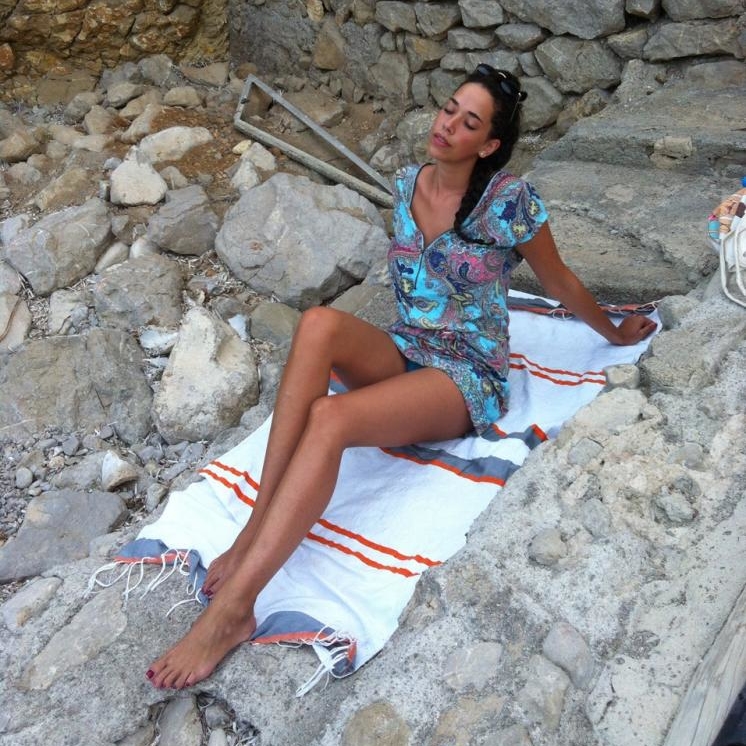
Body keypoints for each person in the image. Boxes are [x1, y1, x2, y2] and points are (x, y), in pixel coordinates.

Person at [146, 65, 657, 689]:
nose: (448, 125)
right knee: (317, 324)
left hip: (465, 374)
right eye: (449, 109)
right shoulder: (407, 183)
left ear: (489, 145)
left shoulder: (509, 204)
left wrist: (613, 332)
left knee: (330, 417)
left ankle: (235, 609)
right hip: (407, 348)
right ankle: (255, 527)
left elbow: (557, 280)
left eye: (470, 122)